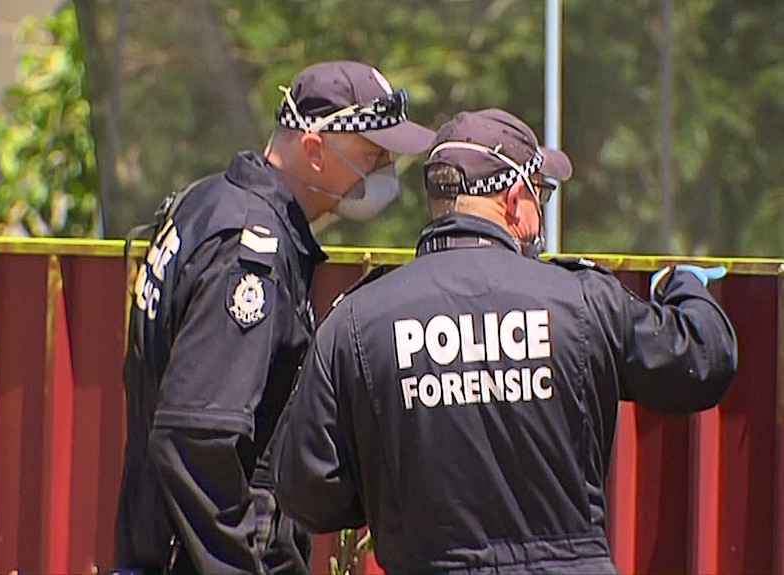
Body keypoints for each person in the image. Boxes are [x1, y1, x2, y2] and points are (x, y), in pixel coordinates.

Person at [273, 108, 738, 574]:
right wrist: (683, 288)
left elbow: (309, 491)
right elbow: (703, 362)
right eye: (543, 197)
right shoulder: (582, 300)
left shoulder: (357, 319)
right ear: (515, 200)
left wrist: (396, 490)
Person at [113, 60, 435, 575]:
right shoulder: (248, 251)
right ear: (313, 150)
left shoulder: (206, 203)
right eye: (373, 154)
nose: (385, 171)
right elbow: (197, 436)